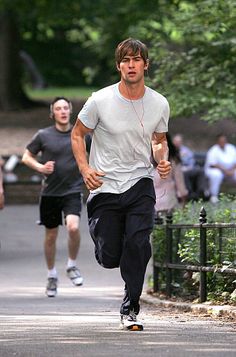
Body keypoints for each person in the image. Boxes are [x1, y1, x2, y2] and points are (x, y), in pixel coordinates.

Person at [71, 38, 171, 331]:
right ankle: (112, 252)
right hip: (104, 186)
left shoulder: (159, 103)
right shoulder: (100, 100)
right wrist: (85, 168)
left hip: (139, 182)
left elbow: (159, 140)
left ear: (145, 65)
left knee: (138, 243)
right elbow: (77, 135)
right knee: (110, 256)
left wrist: (162, 159)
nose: (131, 65)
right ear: (119, 66)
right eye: (126, 60)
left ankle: (131, 309)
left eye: (136, 60)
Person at [22, 97, 84, 297]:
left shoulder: (79, 134)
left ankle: (72, 265)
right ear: (53, 113)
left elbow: (97, 153)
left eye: (66, 108)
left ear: (70, 111)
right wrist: (41, 167)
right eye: (59, 109)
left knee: (73, 227)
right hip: (50, 192)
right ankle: (51, 275)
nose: (63, 111)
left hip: (72, 190)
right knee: (51, 236)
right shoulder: (43, 135)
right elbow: (26, 156)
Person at [153, 133, 188, 222]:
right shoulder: (173, 159)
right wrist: (183, 199)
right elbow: (180, 182)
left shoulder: (148, 160)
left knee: (155, 232)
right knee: (168, 231)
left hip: (152, 201)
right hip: (169, 199)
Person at [173, 134, 206, 200]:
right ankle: (189, 193)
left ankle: (201, 192)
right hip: (177, 170)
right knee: (183, 173)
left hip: (188, 168)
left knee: (200, 171)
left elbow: (191, 160)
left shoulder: (185, 150)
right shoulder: (170, 151)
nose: (177, 143)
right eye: (176, 142)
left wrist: (189, 167)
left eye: (179, 142)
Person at [205, 133, 236, 203]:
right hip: (217, 170)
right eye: (221, 141)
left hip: (230, 171)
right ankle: (214, 196)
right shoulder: (213, 150)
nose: (223, 142)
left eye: (224, 140)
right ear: (217, 141)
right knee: (216, 174)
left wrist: (232, 170)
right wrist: (225, 171)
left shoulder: (231, 148)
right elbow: (213, 164)